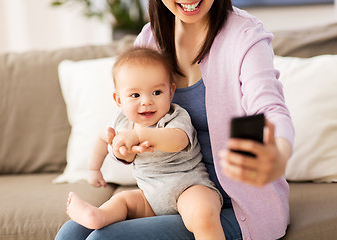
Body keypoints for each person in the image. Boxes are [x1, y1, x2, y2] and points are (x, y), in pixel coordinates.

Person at [56, 1, 295, 240]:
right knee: (71, 234)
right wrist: (124, 151)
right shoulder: (150, 40)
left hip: (234, 205)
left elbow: (268, 108)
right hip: (165, 194)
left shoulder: (244, 35)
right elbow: (133, 123)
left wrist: (278, 151)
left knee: (105, 238)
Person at [64, 47, 225, 240]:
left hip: (188, 187)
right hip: (149, 195)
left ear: (171, 91)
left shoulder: (175, 116)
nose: (147, 101)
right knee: (123, 200)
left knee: (203, 214)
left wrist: (140, 135)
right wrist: (94, 168)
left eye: (157, 92)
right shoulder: (121, 123)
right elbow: (102, 138)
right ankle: (99, 216)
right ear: (118, 99)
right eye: (135, 95)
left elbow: (178, 140)